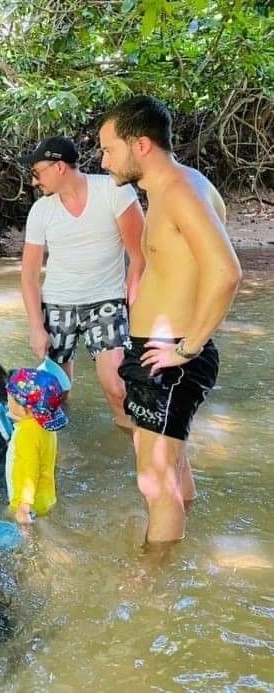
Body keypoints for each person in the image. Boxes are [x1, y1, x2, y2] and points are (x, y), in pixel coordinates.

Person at [98, 96, 242, 545]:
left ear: (140, 145)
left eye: (108, 149)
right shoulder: (175, 187)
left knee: (153, 482)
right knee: (172, 468)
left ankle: (153, 591)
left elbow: (226, 272)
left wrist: (187, 349)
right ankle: (186, 543)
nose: (103, 162)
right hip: (164, 353)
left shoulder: (180, 189)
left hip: (173, 356)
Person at [18, 135, 145, 428]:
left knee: (117, 388)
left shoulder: (114, 192)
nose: (34, 182)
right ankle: (65, 454)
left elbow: (140, 257)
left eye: (37, 173)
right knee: (55, 395)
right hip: (57, 304)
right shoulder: (41, 211)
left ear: (59, 167)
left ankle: (139, 456)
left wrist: (135, 308)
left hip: (106, 301)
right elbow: (29, 275)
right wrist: (37, 328)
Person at [2, 367, 68, 525]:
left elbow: (30, 471)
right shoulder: (45, 426)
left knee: (10, 519)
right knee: (44, 525)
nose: (7, 401)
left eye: (9, 398)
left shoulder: (25, 434)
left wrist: (23, 507)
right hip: (47, 496)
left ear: (24, 409)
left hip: (29, 503)